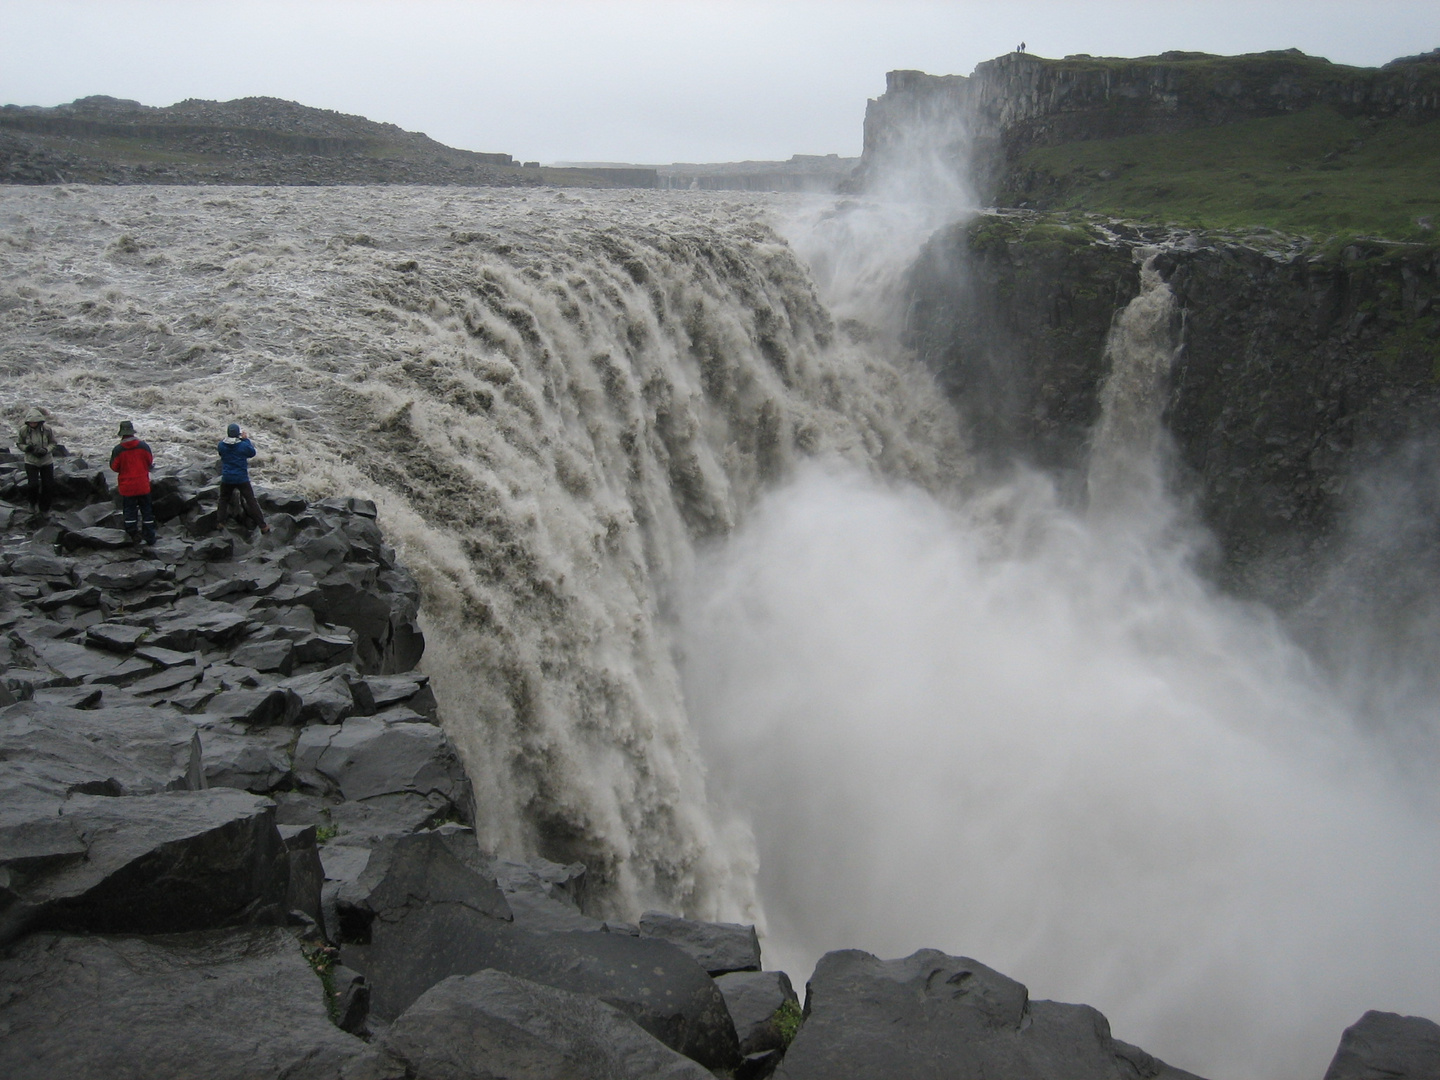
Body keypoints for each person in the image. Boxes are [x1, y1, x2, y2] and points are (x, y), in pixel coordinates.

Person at [109, 420, 156, 545]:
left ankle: (132, 536)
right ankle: (150, 537)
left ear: (122, 434)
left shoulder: (118, 450)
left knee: (130, 512)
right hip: (143, 485)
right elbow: (150, 462)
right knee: (147, 511)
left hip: (127, 487)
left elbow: (114, 467)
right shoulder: (144, 446)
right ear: (132, 432)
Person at [216, 422, 269, 534]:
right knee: (251, 501)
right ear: (238, 434)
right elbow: (252, 453)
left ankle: (220, 523)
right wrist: (246, 439)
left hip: (227, 478)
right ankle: (263, 526)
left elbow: (221, 454)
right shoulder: (243, 445)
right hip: (241, 479)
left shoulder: (221, 445)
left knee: (223, 500)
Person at [16, 406, 56, 517]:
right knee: (33, 485)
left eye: (35, 422)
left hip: (46, 461)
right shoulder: (23, 430)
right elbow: (19, 443)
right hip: (31, 461)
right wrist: (27, 448)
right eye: (31, 422)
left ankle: (45, 509)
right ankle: (32, 503)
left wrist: (46, 450)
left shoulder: (47, 429)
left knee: (48, 486)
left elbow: (53, 443)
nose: (33, 424)